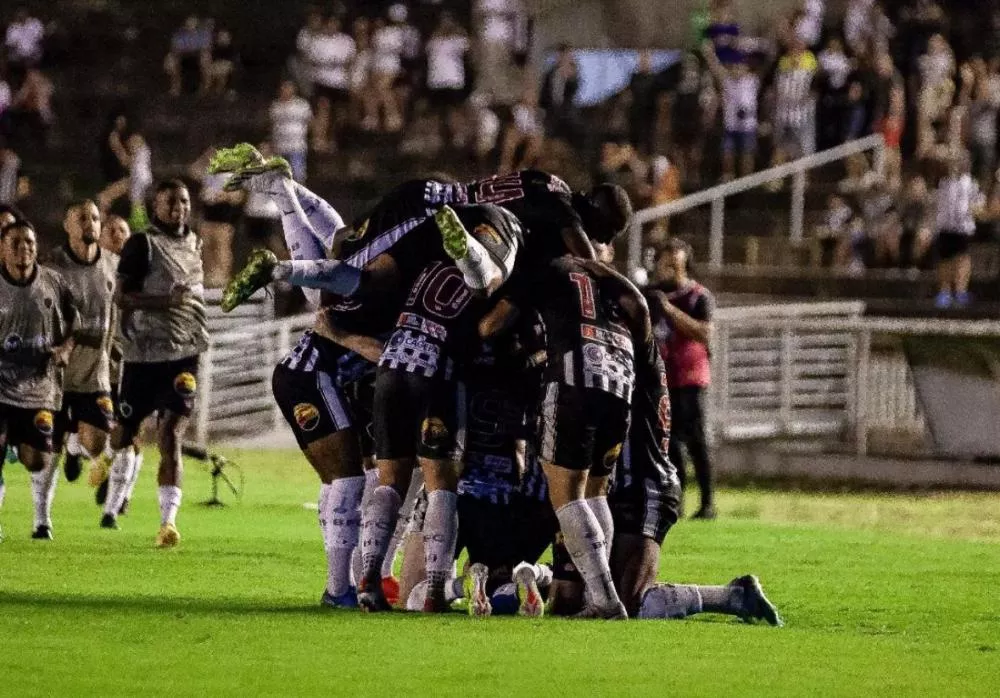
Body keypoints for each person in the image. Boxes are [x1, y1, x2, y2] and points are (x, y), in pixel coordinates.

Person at [103, 180, 208, 547]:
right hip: (144, 355)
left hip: (184, 353)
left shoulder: (194, 242)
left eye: (184, 201)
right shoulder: (141, 245)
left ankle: (168, 523)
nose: (179, 208)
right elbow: (121, 297)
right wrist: (165, 301)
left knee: (171, 434)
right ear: (155, 207)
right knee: (125, 432)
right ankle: (107, 456)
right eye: (171, 202)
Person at [0, 220, 78, 540]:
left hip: (39, 387)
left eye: (29, 243)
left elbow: (74, 324)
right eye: (16, 243)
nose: (24, 249)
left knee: (37, 460)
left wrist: (65, 349)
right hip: (1, 385)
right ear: (3, 249)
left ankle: (41, 513)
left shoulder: (53, 283)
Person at [45, 201, 118, 491]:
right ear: (68, 226)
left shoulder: (113, 265)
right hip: (58, 374)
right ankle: (42, 516)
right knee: (45, 452)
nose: (90, 224)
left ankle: (75, 446)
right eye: (83, 218)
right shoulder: (52, 266)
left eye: (95, 218)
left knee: (97, 443)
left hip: (95, 373)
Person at [646, 239, 716, 519]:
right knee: (669, 442)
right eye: (666, 260)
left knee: (696, 440)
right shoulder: (651, 294)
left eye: (676, 261)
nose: (671, 267)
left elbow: (704, 333)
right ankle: (677, 499)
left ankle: (708, 502)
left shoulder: (698, 297)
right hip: (662, 377)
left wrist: (670, 310)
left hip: (690, 376)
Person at [933, 155, 983, 309]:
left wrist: (973, 210)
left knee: (962, 259)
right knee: (945, 260)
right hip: (946, 226)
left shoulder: (971, 183)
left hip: (963, 227)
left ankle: (961, 291)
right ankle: (944, 291)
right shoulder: (944, 182)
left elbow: (978, 202)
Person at [270, 81, 312, 182]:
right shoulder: (275, 107)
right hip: (280, 146)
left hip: (296, 146)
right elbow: (273, 125)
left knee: (298, 174)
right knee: (280, 176)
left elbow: (310, 122)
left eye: (288, 88)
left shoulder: (301, 105)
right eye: (284, 88)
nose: (286, 91)